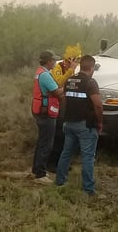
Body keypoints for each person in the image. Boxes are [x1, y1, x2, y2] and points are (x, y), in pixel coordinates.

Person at [56, 55, 103, 195]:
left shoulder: (70, 80)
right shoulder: (90, 82)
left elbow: (63, 99)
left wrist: (65, 117)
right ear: (92, 67)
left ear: (81, 66)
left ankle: (60, 181)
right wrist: (99, 122)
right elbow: (98, 105)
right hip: (85, 126)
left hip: (69, 123)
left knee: (66, 153)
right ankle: (88, 190)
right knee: (87, 157)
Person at [31, 50, 64, 185]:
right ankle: (40, 174)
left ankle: (36, 170)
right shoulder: (45, 75)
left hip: (40, 111)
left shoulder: (39, 72)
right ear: (48, 61)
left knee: (41, 142)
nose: (55, 62)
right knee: (46, 144)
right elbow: (56, 92)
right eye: (53, 60)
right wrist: (64, 88)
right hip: (46, 113)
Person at [47, 43, 81, 172]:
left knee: (65, 136)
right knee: (57, 136)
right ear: (68, 60)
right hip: (56, 106)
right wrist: (71, 71)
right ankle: (51, 163)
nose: (76, 63)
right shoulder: (57, 68)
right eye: (75, 60)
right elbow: (59, 83)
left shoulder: (71, 69)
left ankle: (62, 162)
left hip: (66, 105)